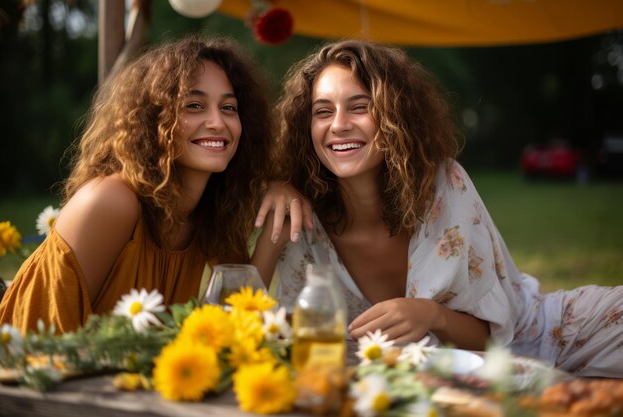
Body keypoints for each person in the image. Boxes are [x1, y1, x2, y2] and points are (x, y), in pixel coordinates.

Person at [252, 39, 623, 377]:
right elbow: (240, 314)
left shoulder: (442, 185)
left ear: (395, 116)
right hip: (438, 386)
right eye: (322, 111)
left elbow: (489, 342)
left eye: (360, 107)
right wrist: (278, 198)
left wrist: (430, 315)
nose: (339, 125)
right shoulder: (299, 212)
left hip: (539, 338)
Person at [0, 35, 275, 334]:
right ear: (152, 119)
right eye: (194, 105)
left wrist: (276, 224)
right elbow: (40, 337)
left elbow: (238, 323)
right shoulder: (112, 202)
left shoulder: (212, 212)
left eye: (229, 108)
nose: (217, 122)